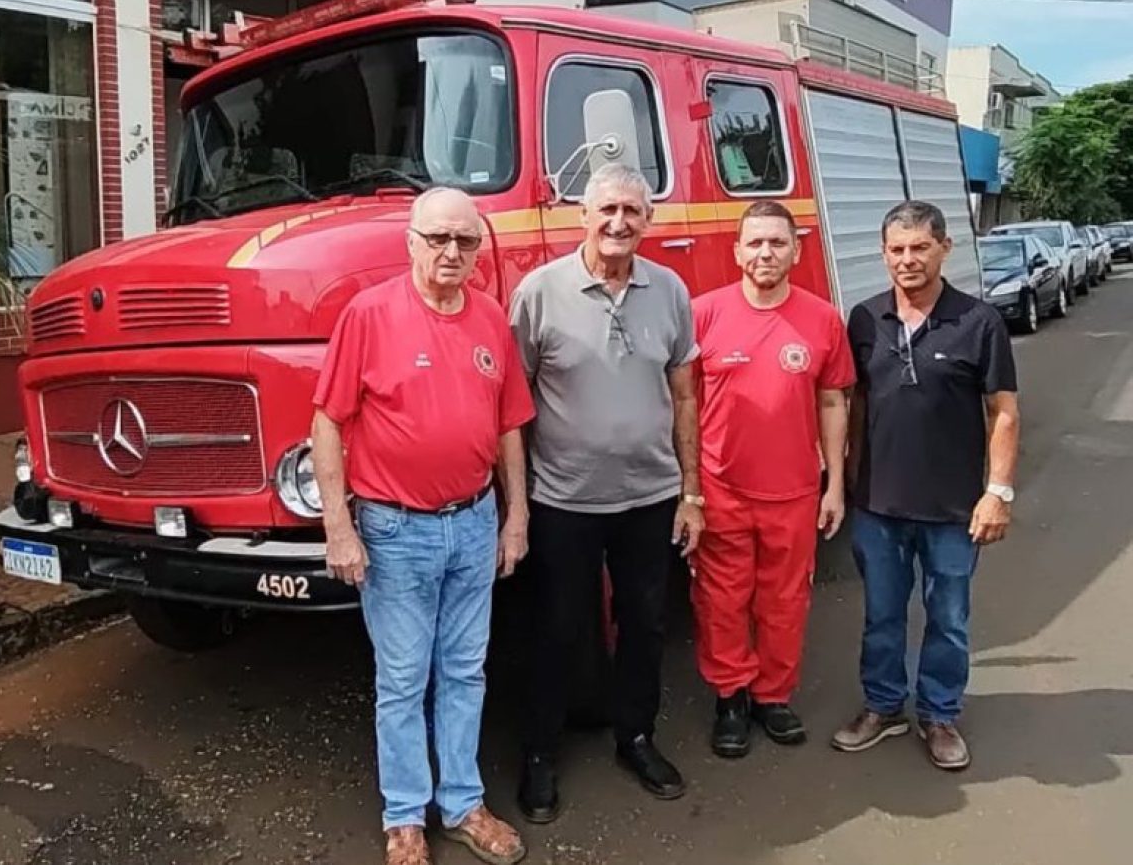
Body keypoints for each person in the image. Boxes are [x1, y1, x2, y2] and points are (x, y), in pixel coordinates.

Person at [312, 187, 535, 865]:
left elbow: (508, 426)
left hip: (473, 524)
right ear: (410, 241)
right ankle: (405, 816)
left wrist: (516, 512)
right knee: (404, 678)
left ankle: (463, 803)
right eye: (438, 238)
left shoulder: (491, 318)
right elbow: (327, 421)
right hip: (393, 531)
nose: (451, 252)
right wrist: (338, 527)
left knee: (466, 672)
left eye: (465, 241)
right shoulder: (369, 315)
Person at [509, 163, 704, 823]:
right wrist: (517, 502)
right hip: (563, 500)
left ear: (648, 220)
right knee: (558, 628)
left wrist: (691, 492)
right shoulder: (539, 292)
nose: (619, 222)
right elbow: (515, 404)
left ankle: (636, 737)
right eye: (607, 210)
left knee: (646, 625)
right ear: (581, 216)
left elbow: (683, 396)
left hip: (650, 497)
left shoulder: (670, 290)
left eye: (632, 210)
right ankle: (539, 752)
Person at [831, 201, 1020, 771]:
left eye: (919, 247)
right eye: (897, 249)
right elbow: (853, 404)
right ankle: (884, 706)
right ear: (883, 254)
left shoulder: (979, 322)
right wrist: (844, 485)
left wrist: (998, 492)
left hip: (953, 511)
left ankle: (938, 713)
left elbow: (1003, 413)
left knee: (949, 619)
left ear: (944, 249)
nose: (907, 259)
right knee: (882, 616)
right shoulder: (864, 319)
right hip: (879, 506)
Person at [691, 200, 856, 757]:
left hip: (795, 491)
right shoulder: (704, 314)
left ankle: (772, 696)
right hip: (721, 488)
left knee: (785, 601)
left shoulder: (822, 319)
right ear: (737, 252)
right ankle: (731, 697)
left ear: (796, 250)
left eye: (777, 243)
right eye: (755, 243)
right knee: (722, 599)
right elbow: (683, 401)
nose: (766, 253)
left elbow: (833, 401)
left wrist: (835, 483)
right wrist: (689, 488)